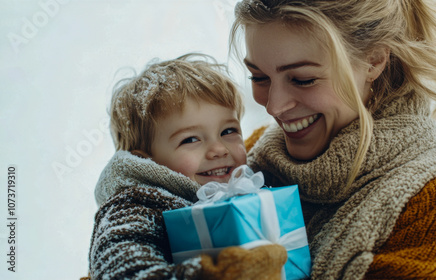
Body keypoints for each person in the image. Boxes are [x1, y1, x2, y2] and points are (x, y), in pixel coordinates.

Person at [231, 0, 436, 279]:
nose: (273, 106)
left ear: (373, 61)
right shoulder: (250, 153)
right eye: (259, 77)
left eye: (303, 79)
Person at [85, 53, 286, 280]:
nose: (219, 149)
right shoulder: (133, 208)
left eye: (228, 131)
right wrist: (216, 275)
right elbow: (125, 273)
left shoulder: (250, 187)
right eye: (190, 140)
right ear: (146, 161)